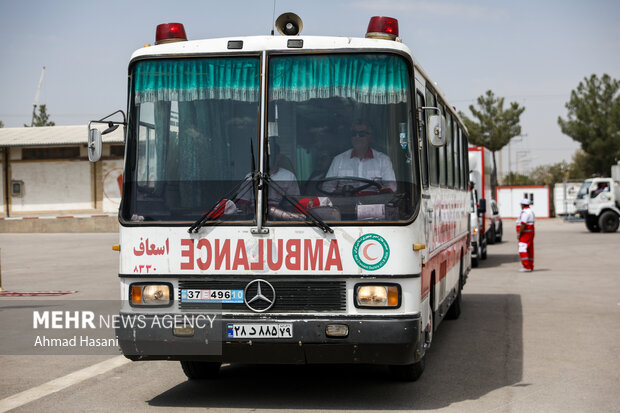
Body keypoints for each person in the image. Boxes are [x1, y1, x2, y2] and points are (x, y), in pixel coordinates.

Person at [323, 121, 396, 194]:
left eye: (362, 134)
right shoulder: (339, 159)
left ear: (370, 137)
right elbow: (327, 187)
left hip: (374, 204)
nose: (357, 137)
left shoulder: (383, 160)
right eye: (353, 134)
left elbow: (391, 189)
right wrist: (342, 193)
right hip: (345, 203)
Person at [516, 198, 535, 272]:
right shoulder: (530, 211)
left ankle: (526, 266)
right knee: (529, 249)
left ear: (523, 204)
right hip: (530, 232)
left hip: (525, 233)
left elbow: (523, 223)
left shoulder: (525, 212)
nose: (520, 205)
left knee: (522, 248)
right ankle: (530, 265)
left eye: (521, 204)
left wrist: (519, 233)